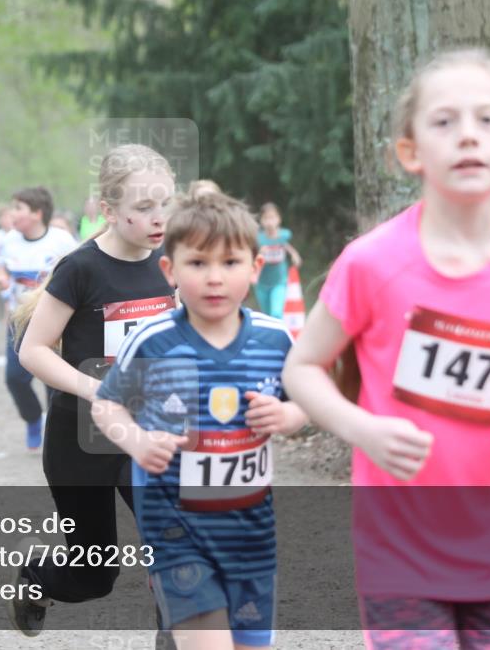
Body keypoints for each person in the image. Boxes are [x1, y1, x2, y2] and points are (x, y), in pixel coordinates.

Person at [282, 48, 490, 649]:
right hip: (398, 550)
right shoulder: (370, 263)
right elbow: (302, 368)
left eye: (487, 119)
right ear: (411, 153)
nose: (467, 136)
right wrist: (362, 428)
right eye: (444, 121)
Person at [93, 191, 308, 650]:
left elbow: (307, 401)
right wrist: (135, 441)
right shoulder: (154, 340)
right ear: (170, 270)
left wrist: (288, 414)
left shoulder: (274, 340)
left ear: (255, 267)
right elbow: (106, 404)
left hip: (250, 531)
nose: (214, 279)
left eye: (230, 263)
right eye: (198, 264)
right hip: (176, 532)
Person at [8, 144, 178, 635]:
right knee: (94, 576)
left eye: (164, 203)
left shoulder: (173, 262)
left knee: (175, 558)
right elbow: (33, 350)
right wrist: (98, 389)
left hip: (152, 436)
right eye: (143, 208)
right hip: (83, 440)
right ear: (109, 210)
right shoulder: (81, 269)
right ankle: (35, 577)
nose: (157, 217)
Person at [0, 187, 77, 450]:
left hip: (54, 323)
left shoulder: (61, 240)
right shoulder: (9, 241)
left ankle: (55, 434)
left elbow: (80, 271)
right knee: (14, 378)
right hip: (18, 321)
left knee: (53, 380)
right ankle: (32, 419)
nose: (12, 214)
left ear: (37, 213)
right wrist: (1, 280)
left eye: (18, 208)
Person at [253, 202, 301, 319]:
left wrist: (295, 255)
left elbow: (285, 245)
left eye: (272, 218)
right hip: (262, 283)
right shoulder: (259, 239)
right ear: (261, 221)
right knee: (267, 315)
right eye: (266, 218)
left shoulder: (284, 235)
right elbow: (254, 263)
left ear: (278, 219)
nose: (270, 222)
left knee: (276, 313)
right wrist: (260, 255)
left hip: (279, 281)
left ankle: (278, 335)